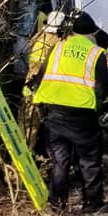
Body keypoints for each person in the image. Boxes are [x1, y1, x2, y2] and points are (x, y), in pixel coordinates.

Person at [33, 11, 108, 214]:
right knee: (89, 161)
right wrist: (103, 112)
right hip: (82, 114)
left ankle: (56, 204)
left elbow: (41, 76)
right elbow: (102, 89)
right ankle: (92, 203)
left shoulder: (57, 47)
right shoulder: (96, 53)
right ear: (91, 33)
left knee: (60, 161)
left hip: (53, 111)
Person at [22, 9, 66, 148]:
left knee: (27, 124)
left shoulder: (38, 37)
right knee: (36, 125)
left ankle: (25, 150)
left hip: (30, 86)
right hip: (45, 88)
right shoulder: (58, 42)